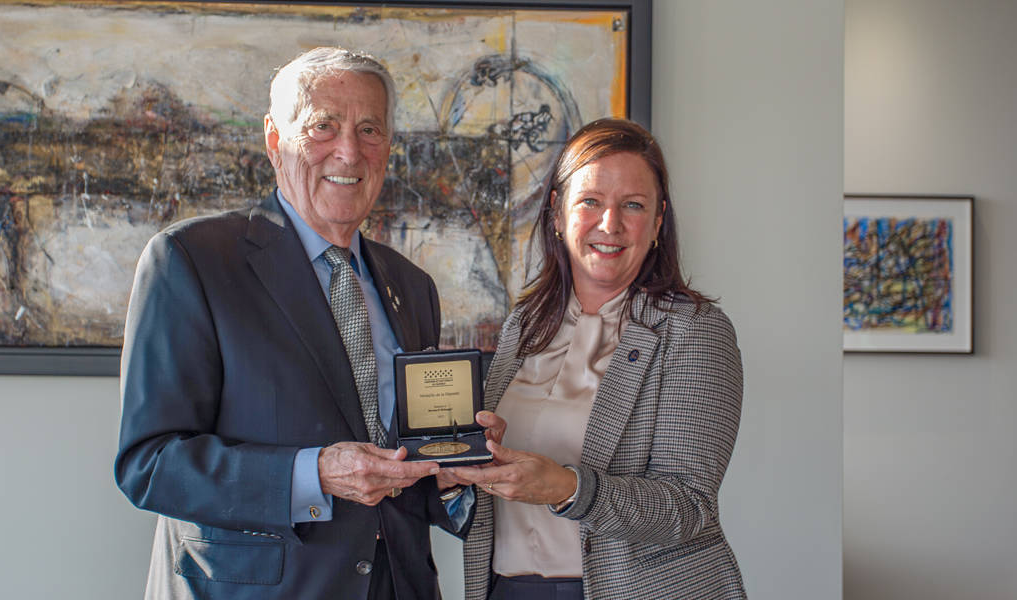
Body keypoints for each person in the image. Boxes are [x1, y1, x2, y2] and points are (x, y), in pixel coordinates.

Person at [114, 47, 461, 599]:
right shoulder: (192, 259)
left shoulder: (412, 287)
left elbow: (407, 467)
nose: (348, 152)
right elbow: (151, 464)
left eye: (369, 129)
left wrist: (458, 470)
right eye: (323, 126)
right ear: (275, 141)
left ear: (388, 149)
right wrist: (313, 473)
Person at [444, 118, 747, 599]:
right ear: (558, 213)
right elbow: (490, 495)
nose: (611, 224)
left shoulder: (694, 331)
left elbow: (689, 507)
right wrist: (460, 469)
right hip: (506, 589)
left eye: (633, 205)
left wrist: (566, 488)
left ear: (658, 221)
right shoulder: (524, 325)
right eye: (591, 201)